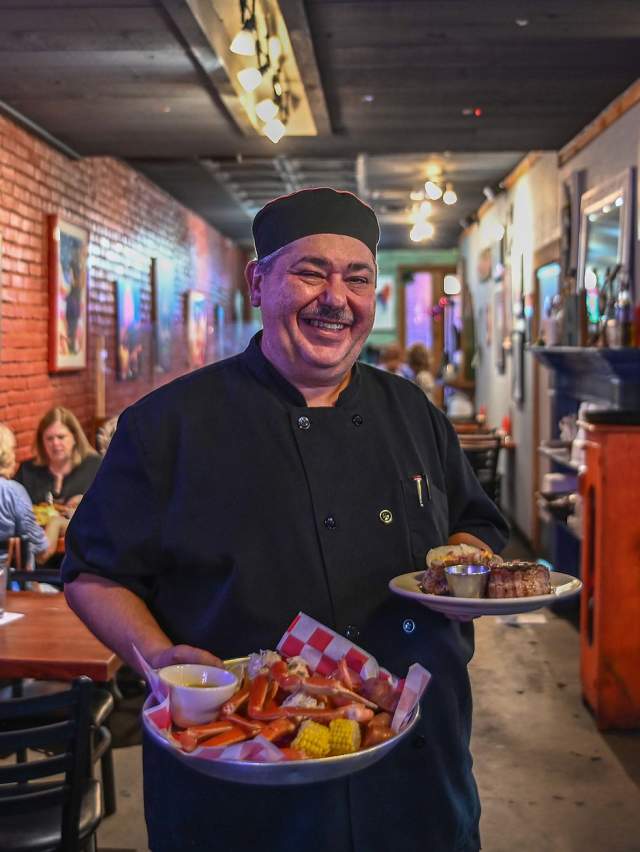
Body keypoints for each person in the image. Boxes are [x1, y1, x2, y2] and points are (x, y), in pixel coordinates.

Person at [62, 188, 508, 852]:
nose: (336, 297)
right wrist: (158, 656)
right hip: (241, 790)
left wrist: (466, 576)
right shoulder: (169, 426)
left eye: (357, 278)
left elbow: (478, 527)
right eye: (309, 271)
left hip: (418, 779)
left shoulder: (414, 416)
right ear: (258, 281)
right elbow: (93, 571)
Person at [0, 423, 65, 568]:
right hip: (9, 585)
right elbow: (42, 553)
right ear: (6, 454)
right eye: (12, 449)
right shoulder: (13, 492)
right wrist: (56, 522)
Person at [14, 407, 101, 509]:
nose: (55, 443)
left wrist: (88, 502)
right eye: (49, 438)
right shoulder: (27, 470)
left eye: (61, 437)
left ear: (75, 438)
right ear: (42, 442)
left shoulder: (95, 466)